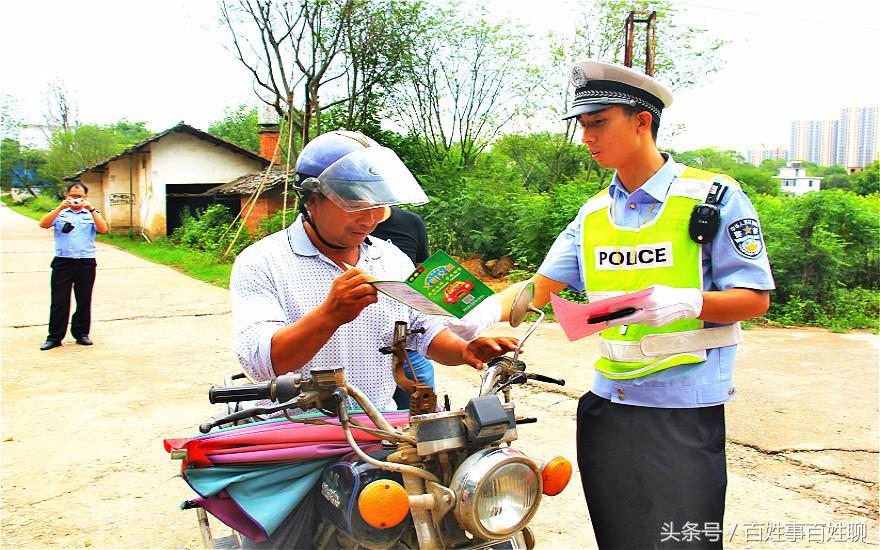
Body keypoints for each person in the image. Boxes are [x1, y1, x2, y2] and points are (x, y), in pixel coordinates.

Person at [452, 60, 774, 549]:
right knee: (620, 539)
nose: (587, 137)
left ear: (642, 121)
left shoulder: (712, 197)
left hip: (681, 412)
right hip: (607, 408)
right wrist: (466, 317)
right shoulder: (594, 212)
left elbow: (754, 299)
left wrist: (686, 302)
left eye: (598, 123)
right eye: (583, 125)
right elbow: (537, 291)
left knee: (682, 542)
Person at [229, 130, 518, 547]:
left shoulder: (390, 258)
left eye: (378, 204)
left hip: (378, 431)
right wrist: (329, 316)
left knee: (435, 525)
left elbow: (421, 333)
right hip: (293, 435)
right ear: (311, 200)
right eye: (354, 203)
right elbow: (262, 362)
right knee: (282, 543)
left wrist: (465, 350)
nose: (369, 217)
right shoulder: (262, 262)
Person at [371, 206, 435, 408]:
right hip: (364, 341)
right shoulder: (337, 228)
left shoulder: (410, 223)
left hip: (406, 337)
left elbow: (422, 274)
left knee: (424, 405)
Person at [38, 182, 108, 350]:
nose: (76, 199)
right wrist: (59, 208)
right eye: (73, 196)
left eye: (79, 197)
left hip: (85, 262)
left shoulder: (92, 213)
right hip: (63, 261)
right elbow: (43, 224)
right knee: (59, 301)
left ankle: (82, 333)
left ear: (85, 197)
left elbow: (103, 229)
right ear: (67, 196)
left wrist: (91, 209)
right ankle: (54, 337)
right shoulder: (60, 212)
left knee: (83, 299)